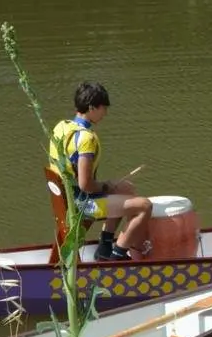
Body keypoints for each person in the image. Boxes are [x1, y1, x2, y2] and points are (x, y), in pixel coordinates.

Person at [48, 82, 153, 261]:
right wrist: (107, 185)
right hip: (82, 205)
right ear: (92, 108)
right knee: (144, 206)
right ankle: (117, 256)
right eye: (103, 108)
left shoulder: (61, 127)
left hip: (66, 199)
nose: (105, 113)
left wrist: (112, 186)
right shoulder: (86, 139)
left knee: (124, 190)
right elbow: (85, 185)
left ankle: (105, 247)